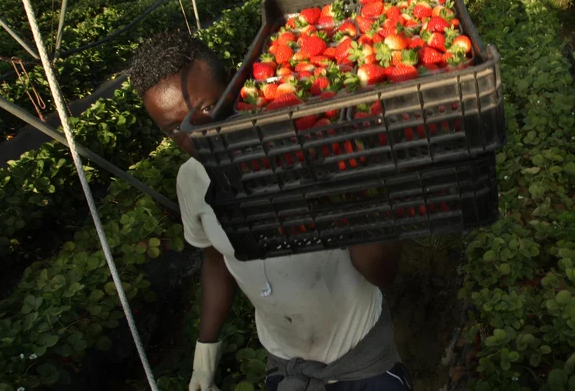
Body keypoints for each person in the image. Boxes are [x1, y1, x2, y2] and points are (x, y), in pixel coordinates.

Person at [130, 30, 411, 391]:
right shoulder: (191, 182)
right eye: (174, 128)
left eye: (205, 108)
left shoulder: (304, 149)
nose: (196, 134)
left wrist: (349, 196)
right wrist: (205, 353)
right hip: (285, 363)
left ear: (234, 86)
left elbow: (384, 273)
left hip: (360, 358)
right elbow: (216, 260)